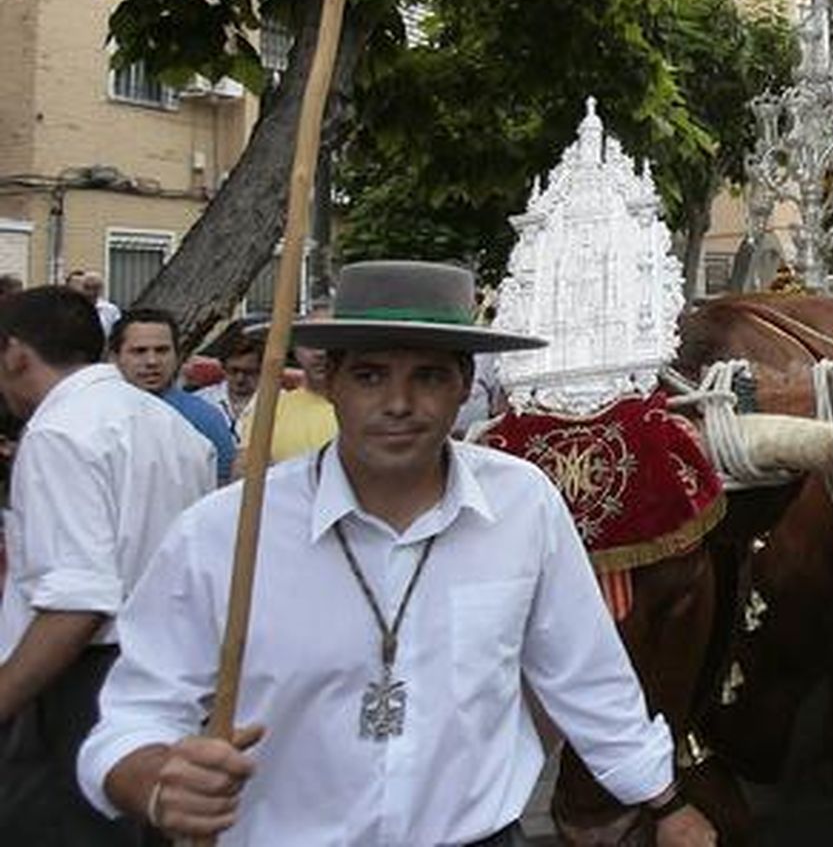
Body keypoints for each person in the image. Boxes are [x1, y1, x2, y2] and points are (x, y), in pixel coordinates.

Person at [79, 261, 716, 845]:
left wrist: (665, 804)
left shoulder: (523, 506)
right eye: (371, 374)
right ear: (330, 384)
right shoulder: (226, 533)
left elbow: (586, 675)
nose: (399, 403)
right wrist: (160, 783)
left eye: (429, 376)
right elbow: (130, 724)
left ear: (465, 385)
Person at [0, 286, 215, 843]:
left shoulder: (58, 432)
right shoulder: (174, 428)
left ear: (15, 353)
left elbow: (79, 602)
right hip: (169, 674)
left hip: (82, 681)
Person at [110, 309, 238, 483]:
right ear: (115, 358)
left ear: (178, 356)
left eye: (162, 350)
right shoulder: (100, 414)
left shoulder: (204, 418)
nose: (152, 361)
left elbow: (223, 488)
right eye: (139, 351)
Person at [236, 300, 338, 461]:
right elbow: (244, 474)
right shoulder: (269, 410)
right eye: (311, 343)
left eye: (330, 343)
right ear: (295, 350)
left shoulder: (367, 409)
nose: (320, 352)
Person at [193, 320, 265, 443]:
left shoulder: (281, 404)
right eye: (233, 370)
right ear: (223, 365)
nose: (240, 379)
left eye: (249, 372)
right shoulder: (201, 401)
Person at [65, 270, 121, 340]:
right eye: (87, 288)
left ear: (101, 289)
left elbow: (118, 334)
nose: (91, 292)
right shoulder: (73, 309)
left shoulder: (111, 310)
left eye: (95, 288)